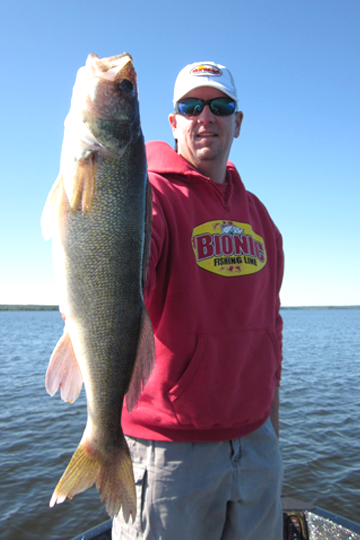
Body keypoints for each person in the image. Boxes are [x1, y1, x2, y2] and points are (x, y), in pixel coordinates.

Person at [112, 61, 284, 540]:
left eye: (220, 106)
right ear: (174, 122)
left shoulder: (261, 219)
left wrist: (271, 430)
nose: (205, 116)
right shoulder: (151, 195)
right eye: (191, 106)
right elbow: (126, 264)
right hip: (169, 454)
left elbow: (271, 327)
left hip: (256, 447)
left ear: (238, 122)